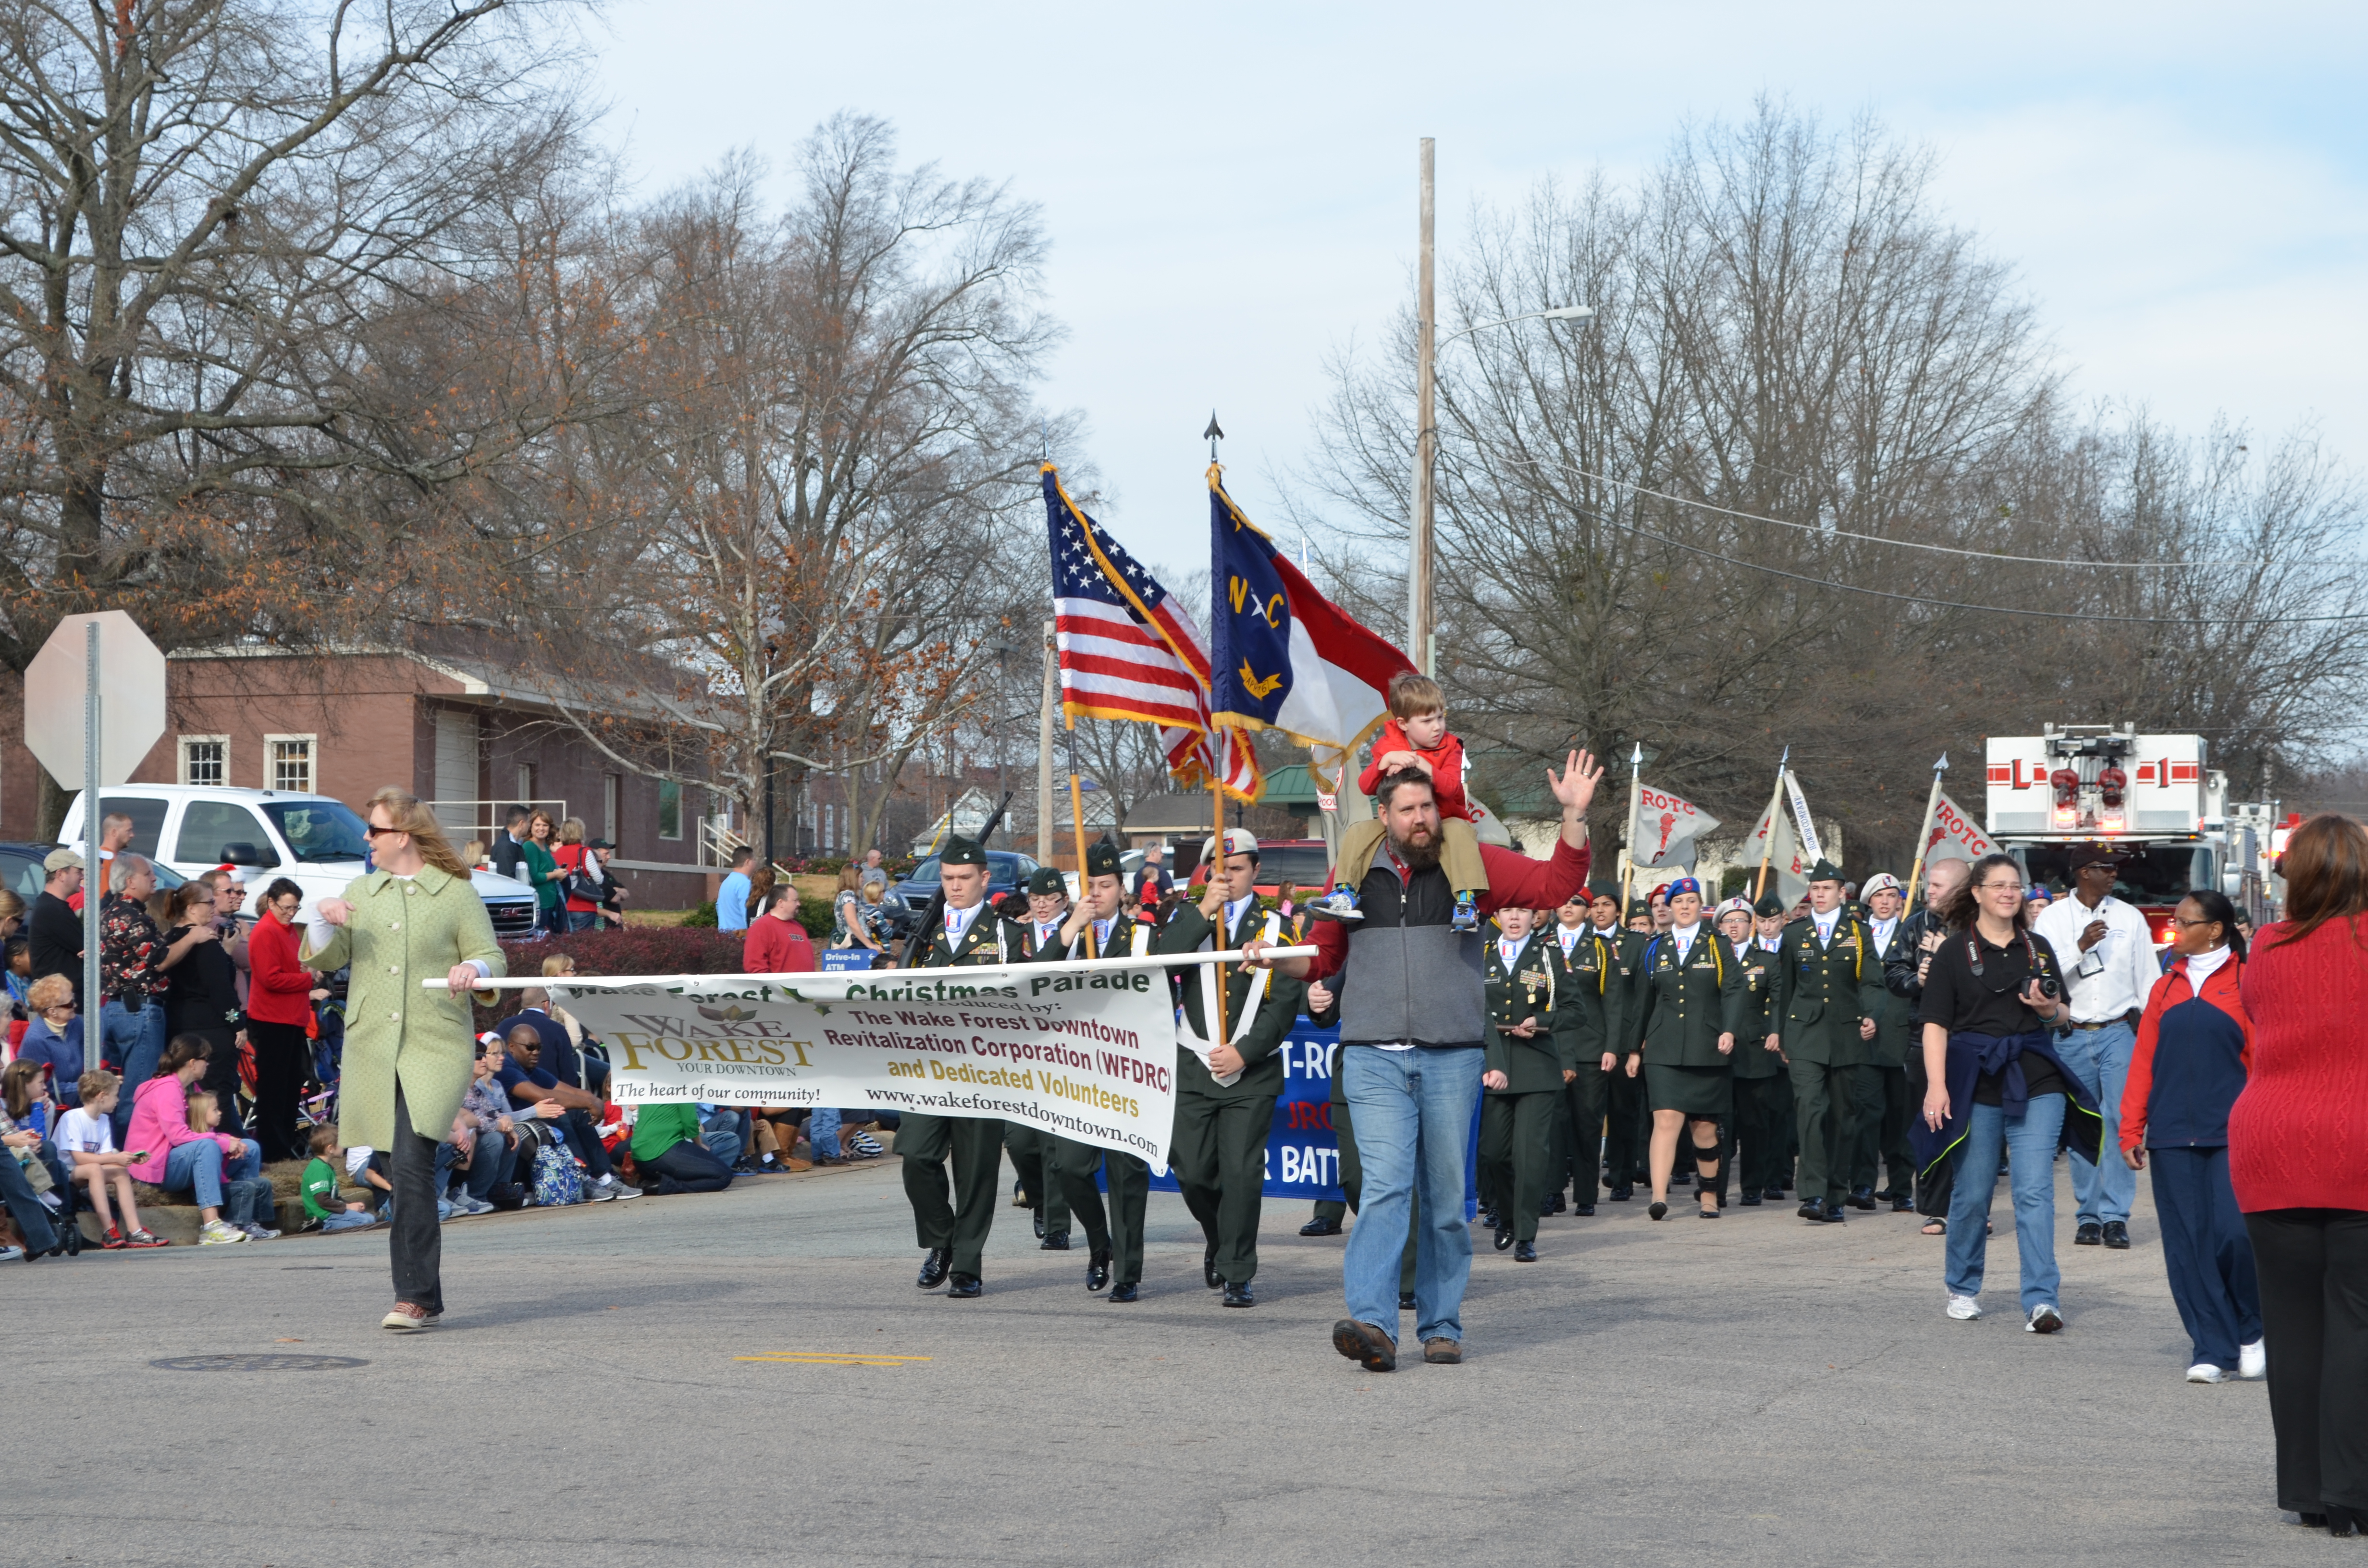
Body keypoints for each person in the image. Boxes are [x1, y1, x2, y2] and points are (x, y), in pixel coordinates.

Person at [1258, 749, 1600, 1372]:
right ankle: (1373, 1323)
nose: (1421, 819)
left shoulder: (1471, 866)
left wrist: (1574, 817)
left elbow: (1556, 885)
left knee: (1445, 1201)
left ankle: (1441, 1325)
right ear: (1383, 816)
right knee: (1386, 1189)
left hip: (1451, 1058)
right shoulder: (1354, 873)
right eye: (1408, 809)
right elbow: (1324, 960)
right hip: (1373, 1058)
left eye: (1427, 807)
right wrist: (1278, 959)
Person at [300, 786, 510, 1330]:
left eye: (373, 829)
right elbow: (328, 956)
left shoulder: (455, 892)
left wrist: (477, 972)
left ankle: (412, 1296)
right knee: (396, 1165)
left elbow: (491, 955)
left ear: (403, 836)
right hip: (373, 1044)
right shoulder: (360, 891)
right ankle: (427, 1296)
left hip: (435, 1043)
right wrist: (323, 918)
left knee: (414, 1161)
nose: (365, 838)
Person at [2226, 814, 2368, 1535]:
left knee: (2294, 1325)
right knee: (2358, 1323)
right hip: (2360, 1143)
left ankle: (2308, 1491)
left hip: (2271, 1140)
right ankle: (2353, 1491)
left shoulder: (2267, 947)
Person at [1912, 852, 2095, 1333]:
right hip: (1972, 1080)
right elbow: (1934, 1024)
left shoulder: (2036, 948)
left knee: (2033, 1190)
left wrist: (2048, 1007)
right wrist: (1936, 1088)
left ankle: (2041, 1299)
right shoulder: (1954, 952)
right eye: (1997, 885)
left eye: (2014, 885)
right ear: (1976, 893)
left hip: (2035, 1077)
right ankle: (1962, 1286)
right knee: (1971, 1194)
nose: (2008, 893)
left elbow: (2061, 1021)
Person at [2120, 888, 2263, 1384]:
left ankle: (2251, 1329)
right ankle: (2211, 1347)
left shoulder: (2247, 983)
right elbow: (2143, 1064)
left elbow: (2261, 1061)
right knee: (2187, 1246)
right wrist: (2130, 1128)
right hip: (2169, 1135)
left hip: (2234, 1133)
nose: (2172, 930)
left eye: (2182, 923)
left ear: (2215, 931)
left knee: (2233, 1236)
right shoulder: (2165, 987)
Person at [1166, 829, 1306, 1305]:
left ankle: (1237, 1270)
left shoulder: (1275, 929)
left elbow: (1283, 1003)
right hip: (1194, 1066)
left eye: (1238, 869)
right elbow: (1164, 964)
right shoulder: (1190, 918)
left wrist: (1245, 1051)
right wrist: (1204, 909)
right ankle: (1219, 1237)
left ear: (1256, 872)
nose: (1227, 877)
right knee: (1191, 1170)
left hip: (1252, 1072)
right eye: (1217, 870)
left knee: (1242, 1175)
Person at [1028, 841, 1159, 1298]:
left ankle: (1128, 1271)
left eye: (1106, 885)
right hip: (1076, 1073)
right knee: (1069, 1166)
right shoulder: (1067, 936)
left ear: (1122, 890)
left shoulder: (1142, 936)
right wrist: (1071, 928)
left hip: (1127, 1069)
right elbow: (1034, 981)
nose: (1097, 893)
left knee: (1126, 1174)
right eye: (1090, 886)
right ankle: (1100, 1243)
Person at [899, 835, 1021, 1299]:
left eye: (964, 878)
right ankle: (942, 1240)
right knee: (916, 1155)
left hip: (983, 1069)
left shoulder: (1006, 936)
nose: (954, 886)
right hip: (928, 1067)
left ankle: (968, 1265)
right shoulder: (922, 932)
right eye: (948, 878)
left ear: (984, 879)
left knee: (975, 1171)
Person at [2032, 845, 2158, 1251]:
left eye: (2114, 868)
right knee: (2084, 1123)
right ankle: (2087, 1215)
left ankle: (2116, 1216)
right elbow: (2042, 977)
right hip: (2069, 1032)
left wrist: (2154, 1036)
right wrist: (2080, 947)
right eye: (2107, 869)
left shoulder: (2130, 917)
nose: (2114, 875)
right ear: (2084, 873)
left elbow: (2149, 982)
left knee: (2120, 1120)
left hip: (2119, 1031)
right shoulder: (2052, 918)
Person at [1768, 859, 1885, 1225]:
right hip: (1804, 1033)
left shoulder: (1858, 932)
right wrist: (1780, 1032)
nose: (1819, 895)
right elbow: (1783, 987)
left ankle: (1836, 1193)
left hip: (1846, 1034)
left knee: (1841, 1117)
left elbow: (1871, 982)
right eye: (1815, 889)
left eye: (1826, 889)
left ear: (1841, 893)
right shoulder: (1794, 933)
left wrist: (1871, 1015)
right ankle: (1814, 1193)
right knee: (1810, 1110)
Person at [1330, 673, 1491, 932]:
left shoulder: (1451, 747)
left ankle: (1465, 900)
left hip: (1445, 819)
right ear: (1403, 723)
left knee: (1461, 833)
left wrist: (1428, 768)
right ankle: (1345, 893)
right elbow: (1365, 787)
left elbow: (1451, 789)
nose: (1437, 726)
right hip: (1403, 823)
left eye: (1441, 717)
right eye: (1427, 721)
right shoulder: (1389, 745)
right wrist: (1383, 763)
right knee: (1360, 830)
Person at [1623, 878, 1741, 1221]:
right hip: (1664, 1047)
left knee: (1704, 1129)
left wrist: (1730, 1030)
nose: (1685, 907)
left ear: (1700, 906)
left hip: (1708, 1047)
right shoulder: (1655, 947)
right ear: (1669, 908)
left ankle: (1708, 1194)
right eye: (1679, 902)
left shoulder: (1718, 943)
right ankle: (1659, 1197)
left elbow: (1733, 989)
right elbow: (1643, 1002)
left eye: (1691, 901)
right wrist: (1634, 1050)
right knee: (1666, 1121)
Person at [1477, 903, 1576, 1256]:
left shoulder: (1548, 954)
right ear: (1497, 917)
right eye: (1507, 911)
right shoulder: (1482, 953)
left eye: (1522, 910)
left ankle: (1525, 1235)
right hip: (1494, 1066)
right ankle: (1505, 1214)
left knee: (1530, 1156)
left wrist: (1542, 1020)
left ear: (1534, 916)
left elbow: (1574, 1010)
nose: (1515, 918)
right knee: (1493, 1155)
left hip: (1537, 1068)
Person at [1887, 855, 1972, 1233]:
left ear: (1959, 890)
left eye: (1937, 886)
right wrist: (1917, 980)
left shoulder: (1978, 926)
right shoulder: (1914, 925)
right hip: (1925, 1039)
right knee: (1932, 1120)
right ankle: (1937, 1209)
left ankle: (1972, 1207)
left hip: (1971, 1038)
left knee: (1973, 1126)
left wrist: (1947, 955)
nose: (1928, 892)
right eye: (1929, 884)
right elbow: (1892, 971)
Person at [125, 1036, 265, 1245]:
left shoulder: (189, 1088)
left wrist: (228, 1140)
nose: (208, 1064)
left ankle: (241, 1220)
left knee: (250, 1147)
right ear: (192, 1063)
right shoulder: (167, 1089)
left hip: (176, 1158)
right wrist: (222, 1143)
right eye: (205, 1059)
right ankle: (211, 1227)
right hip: (153, 1165)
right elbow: (179, 1136)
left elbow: (200, 1130)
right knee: (208, 1146)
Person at [1003, 866, 1074, 1246]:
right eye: (1036, 899)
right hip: (1023, 1048)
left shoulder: (1081, 934)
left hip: (1066, 1045)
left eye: (1050, 898)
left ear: (1064, 900)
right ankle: (1039, 1196)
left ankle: (1057, 1223)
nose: (1043, 905)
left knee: (1053, 1141)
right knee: (1018, 1141)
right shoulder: (1018, 935)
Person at [495, 1023, 636, 1202]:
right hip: (515, 1127)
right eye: (530, 1047)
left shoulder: (533, 1071)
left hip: (536, 1124)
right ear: (512, 1047)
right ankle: (581, 1178)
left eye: (539, 1047)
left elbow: (570, 1091)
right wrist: (587, 1103)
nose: (536, 1052)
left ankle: (604, 1177)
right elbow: (542, 1096)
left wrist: (596, 1102)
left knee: (578, 1111)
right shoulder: (507, 1070)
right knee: (561, 1111)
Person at [155, 882, 251, 1142]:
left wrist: (227, 953)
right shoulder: (204, 942)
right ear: (191, 908)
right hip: (211, 1032)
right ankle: (231, 1147)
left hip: (178, 1028)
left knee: (187, 1095)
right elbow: (221, 992)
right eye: (209, 903)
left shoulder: (170, 940)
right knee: (217, 1096)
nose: (213, 907)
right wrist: (237, 1023)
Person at [1543, 888, 1618, 1218]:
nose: (1568, 906)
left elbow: (1614, 1004)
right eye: (1564, 901)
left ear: (1587, 911)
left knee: (1587, 1125)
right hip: (1551, 1046)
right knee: (1553, 1126)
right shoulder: (1542, 944)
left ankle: (1586, 1193)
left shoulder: (1601, 948)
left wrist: (1612, 1047)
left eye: (1576, 903)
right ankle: (1552, 1190)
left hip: (1590, 1049)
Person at [1853, 872, 1921, 1212]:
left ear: (1900, 900)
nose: (1885, 901)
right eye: (1879, 895)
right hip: (1863, 1041)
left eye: (1892, 895)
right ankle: (1863, 1185)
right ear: (1869, 901)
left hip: (1900, 1038)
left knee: (1901, 1117)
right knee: (1866, 1117)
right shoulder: (1855, 935)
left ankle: (1900, 1187)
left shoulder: (1909, 934)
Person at [97, 854, 175, 1145]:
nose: (154, 879)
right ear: (130, 881)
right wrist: (192, 939)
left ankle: (114, 1151)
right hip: (139, 1010)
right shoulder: (131, 916)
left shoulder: (108, 913)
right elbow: (159, 959)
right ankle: (131, 1159)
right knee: (138, 1091)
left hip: (116, 1009)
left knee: (116, 1090)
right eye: (148, 874)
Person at [55, 1069, 161, 1247]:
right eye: (115, 1096)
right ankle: (108, 1231)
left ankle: (135, 1231)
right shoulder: (72, 1117)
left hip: (87, 1170)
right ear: (102, 1096)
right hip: (66, 1173)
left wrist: (126, 1159)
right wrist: (115, 1158)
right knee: (95, 1169)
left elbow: (104, 1155)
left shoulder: (103, 1120)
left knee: (120, 1171)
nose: (118, 1100)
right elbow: (79, 1158)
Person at [187, 1089, 278, 1238]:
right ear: (201, 1115)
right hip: (206, 1191)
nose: (220, 1113)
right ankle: (234, 1224)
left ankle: (252, 1223)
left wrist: (232, 1143)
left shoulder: (217, 1136)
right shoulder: (199, 1141)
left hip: (222, 1186)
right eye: (215, 1110)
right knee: (246, 1187)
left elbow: (222, 1137)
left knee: (263, 1184)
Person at [630, 1099, 737, 1194]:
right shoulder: (683, 1089)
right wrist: (700, 1145)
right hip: (663, 1151)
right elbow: (690, 1124)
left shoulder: (655, 1088)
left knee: (718, 1164)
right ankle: (668, 1186)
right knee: (724, 1176)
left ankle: (656, 1181)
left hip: (640, 1156)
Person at [16, 975, 88, 1108]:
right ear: (52, 1012)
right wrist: (89, 1086)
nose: (76, 1006)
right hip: (54, 1098)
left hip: (78, 1088)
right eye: (70, 1004)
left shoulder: (75, 1022)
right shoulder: (36, 1040)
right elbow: (46, 1087)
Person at [29, 849, 86, 1007]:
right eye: (78, 872)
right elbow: (86, 947)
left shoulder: (52, 906)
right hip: (56, 1007)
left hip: (60, 1002)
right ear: (61, 874)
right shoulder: (52, 910)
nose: (82, 876)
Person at [301, 1124, 383, 1232]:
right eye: (341, 1143)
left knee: (370, 1218)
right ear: (331, 1149)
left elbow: (333, 1198)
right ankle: (322, 1225)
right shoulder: (318, 1169)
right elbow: (323, 1200)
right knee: (364, 1221)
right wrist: (347, 1207)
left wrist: (351, 1204)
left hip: (332, 1211)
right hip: (324, 1215)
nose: (344, 1146)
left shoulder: (325, 1167)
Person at [744, 884, 818, 973]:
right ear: (781, 903)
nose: (799, 904)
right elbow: (755, 966)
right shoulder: (761, 927)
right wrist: (772, 985)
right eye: (795, 900)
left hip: (805, 986)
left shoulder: (798, 927)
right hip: (781, 986)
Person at [518, 809, 566, 937]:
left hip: (551, 903)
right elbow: (534, 877)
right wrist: (555, 875)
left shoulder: (545, 846)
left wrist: (559, 874)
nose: (541, 828)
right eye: (537, 825)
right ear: (531, 827)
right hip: (540, 904)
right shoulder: (530, 846)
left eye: (545, 825)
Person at [715, 846, 755, 933]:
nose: (755, 863)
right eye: (754, 860)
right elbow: (748, 914)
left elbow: (719, 908)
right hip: (740, 938)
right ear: (748, 862)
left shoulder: (725, 883)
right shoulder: (745, 884)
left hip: (725, 938)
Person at [489, 806, 531, 882]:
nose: (529, 826)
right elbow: (507, 881)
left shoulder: (511, 845)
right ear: (521, 824)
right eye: (529, 822)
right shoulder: (506, 847)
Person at [1131, 841, 1174, 906]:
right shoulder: (1161, 872)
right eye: (1160, 853)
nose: (1163, 855)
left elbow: (1136, 897)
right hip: (1159, 911)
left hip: (1142, 912)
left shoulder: (1138, 874)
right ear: (1153, 854)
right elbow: (1170, 893)